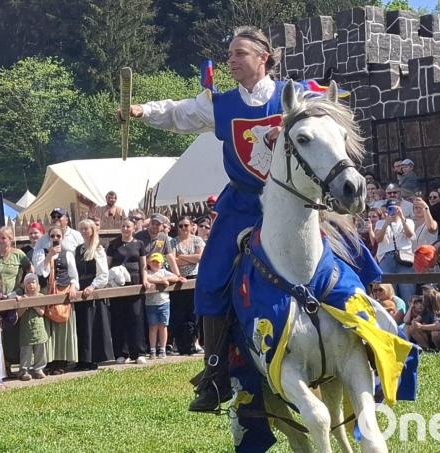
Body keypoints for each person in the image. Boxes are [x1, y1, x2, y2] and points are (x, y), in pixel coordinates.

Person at [117, 26, 286, 411]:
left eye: (240, 53)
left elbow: (327, 112)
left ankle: (364, 337)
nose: (231, 60)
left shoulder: (292, 95)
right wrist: (141, 111)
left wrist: (288, 125)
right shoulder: (221, 104)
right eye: (229, 54)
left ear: (263, 57)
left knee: (344, 252)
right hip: (242, 205)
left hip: (290, 201)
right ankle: (215, 374)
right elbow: (179, 112)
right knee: (210, 277)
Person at [0, 226, 30, 372]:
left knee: (12, 332)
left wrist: (24, 286)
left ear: (11, 239)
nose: (1, 241)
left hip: (14, 297)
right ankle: (2, 366)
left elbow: (29, 269)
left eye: (4, 238)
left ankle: (15, 363)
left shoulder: (18, 254)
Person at [107, 218, 153, 365]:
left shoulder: (139, 244)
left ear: (133, 228)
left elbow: (143, 265)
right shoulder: (113, 244)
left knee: (136, 317)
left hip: (135, 282)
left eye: (128, 226)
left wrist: (145, 280)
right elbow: (108, 264)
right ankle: (121, 353)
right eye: (123, 226)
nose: (125, 229)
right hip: (118, 284)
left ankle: (139, 352)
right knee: (119, 317)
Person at [38, 226, 80, 375]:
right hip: (48, 295)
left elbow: (74, 275)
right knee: (48, 329)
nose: (55, 238)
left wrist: (73, 286)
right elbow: (41, 272)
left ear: (62, 238)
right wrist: (49, 256)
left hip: (63, 294)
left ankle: (61, 362)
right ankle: (49, 362)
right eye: (52, 236)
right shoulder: (41, 253)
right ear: (48, 237)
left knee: (62, 330)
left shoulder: (68, 254)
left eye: (58, 236)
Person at [73, 219, 112, 371]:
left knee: (92, 325)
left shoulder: (98, 248)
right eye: (81, 229)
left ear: (92, 230)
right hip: (80, 290)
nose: (83, 231)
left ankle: (92, 359)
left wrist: (92, 286)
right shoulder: (78, 249)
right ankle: (82, 359)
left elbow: (103, 274)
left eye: (86, 229)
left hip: (92, 290)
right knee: (82, 325)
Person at [170, 216, 205, 355]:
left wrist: (181, 257)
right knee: (179, 313)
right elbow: (172, 261)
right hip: (178, 279)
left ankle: (194, 342)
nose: (183, 228)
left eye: (186, 225)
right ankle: (179, 345)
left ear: (191, 226)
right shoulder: (173, 241)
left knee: (193, 312)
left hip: (193, 279)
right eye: (180, 226)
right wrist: (190, 258)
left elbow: (199, 258)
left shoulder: (197, 240)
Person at [145, 253, 187, 359]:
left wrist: (168, 278)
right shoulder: (147, 272)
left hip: (164, 303)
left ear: (162, 264)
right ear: (149, 263)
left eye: (158, 262)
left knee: (163, 326)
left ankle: (162, 349)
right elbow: (147, 278)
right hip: (151, 304)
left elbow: (175, 277)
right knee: (152, 327)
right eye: (153, 261)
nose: (155, 264)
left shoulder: (164, 272)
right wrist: (161, 281)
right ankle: (153, 349)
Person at [374, 200, 415, 301]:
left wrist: (402, 217)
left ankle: (408, 310)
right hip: (386, 257)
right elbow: (378, 239)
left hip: (404, 258)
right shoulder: (380, 223)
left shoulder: (408, 221)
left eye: (394, 208)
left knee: (407, 289)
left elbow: (410, 234)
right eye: (389, 209)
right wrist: (386, 223)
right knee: (387, 291)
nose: (392, 211)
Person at [14, 273, 48, 380]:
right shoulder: (22, 298)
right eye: (28, 283)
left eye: (33, 282)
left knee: (40, 349)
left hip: (39, 327)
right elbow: (19, 314)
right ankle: (24, 371)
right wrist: (25, 303)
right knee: (26, 350)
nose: (31, 285)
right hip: (26, 328)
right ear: (25, 285)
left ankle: (39, 369)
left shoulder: (41, 297)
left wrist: (33, 304)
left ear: (37, 284)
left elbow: (42, 312)